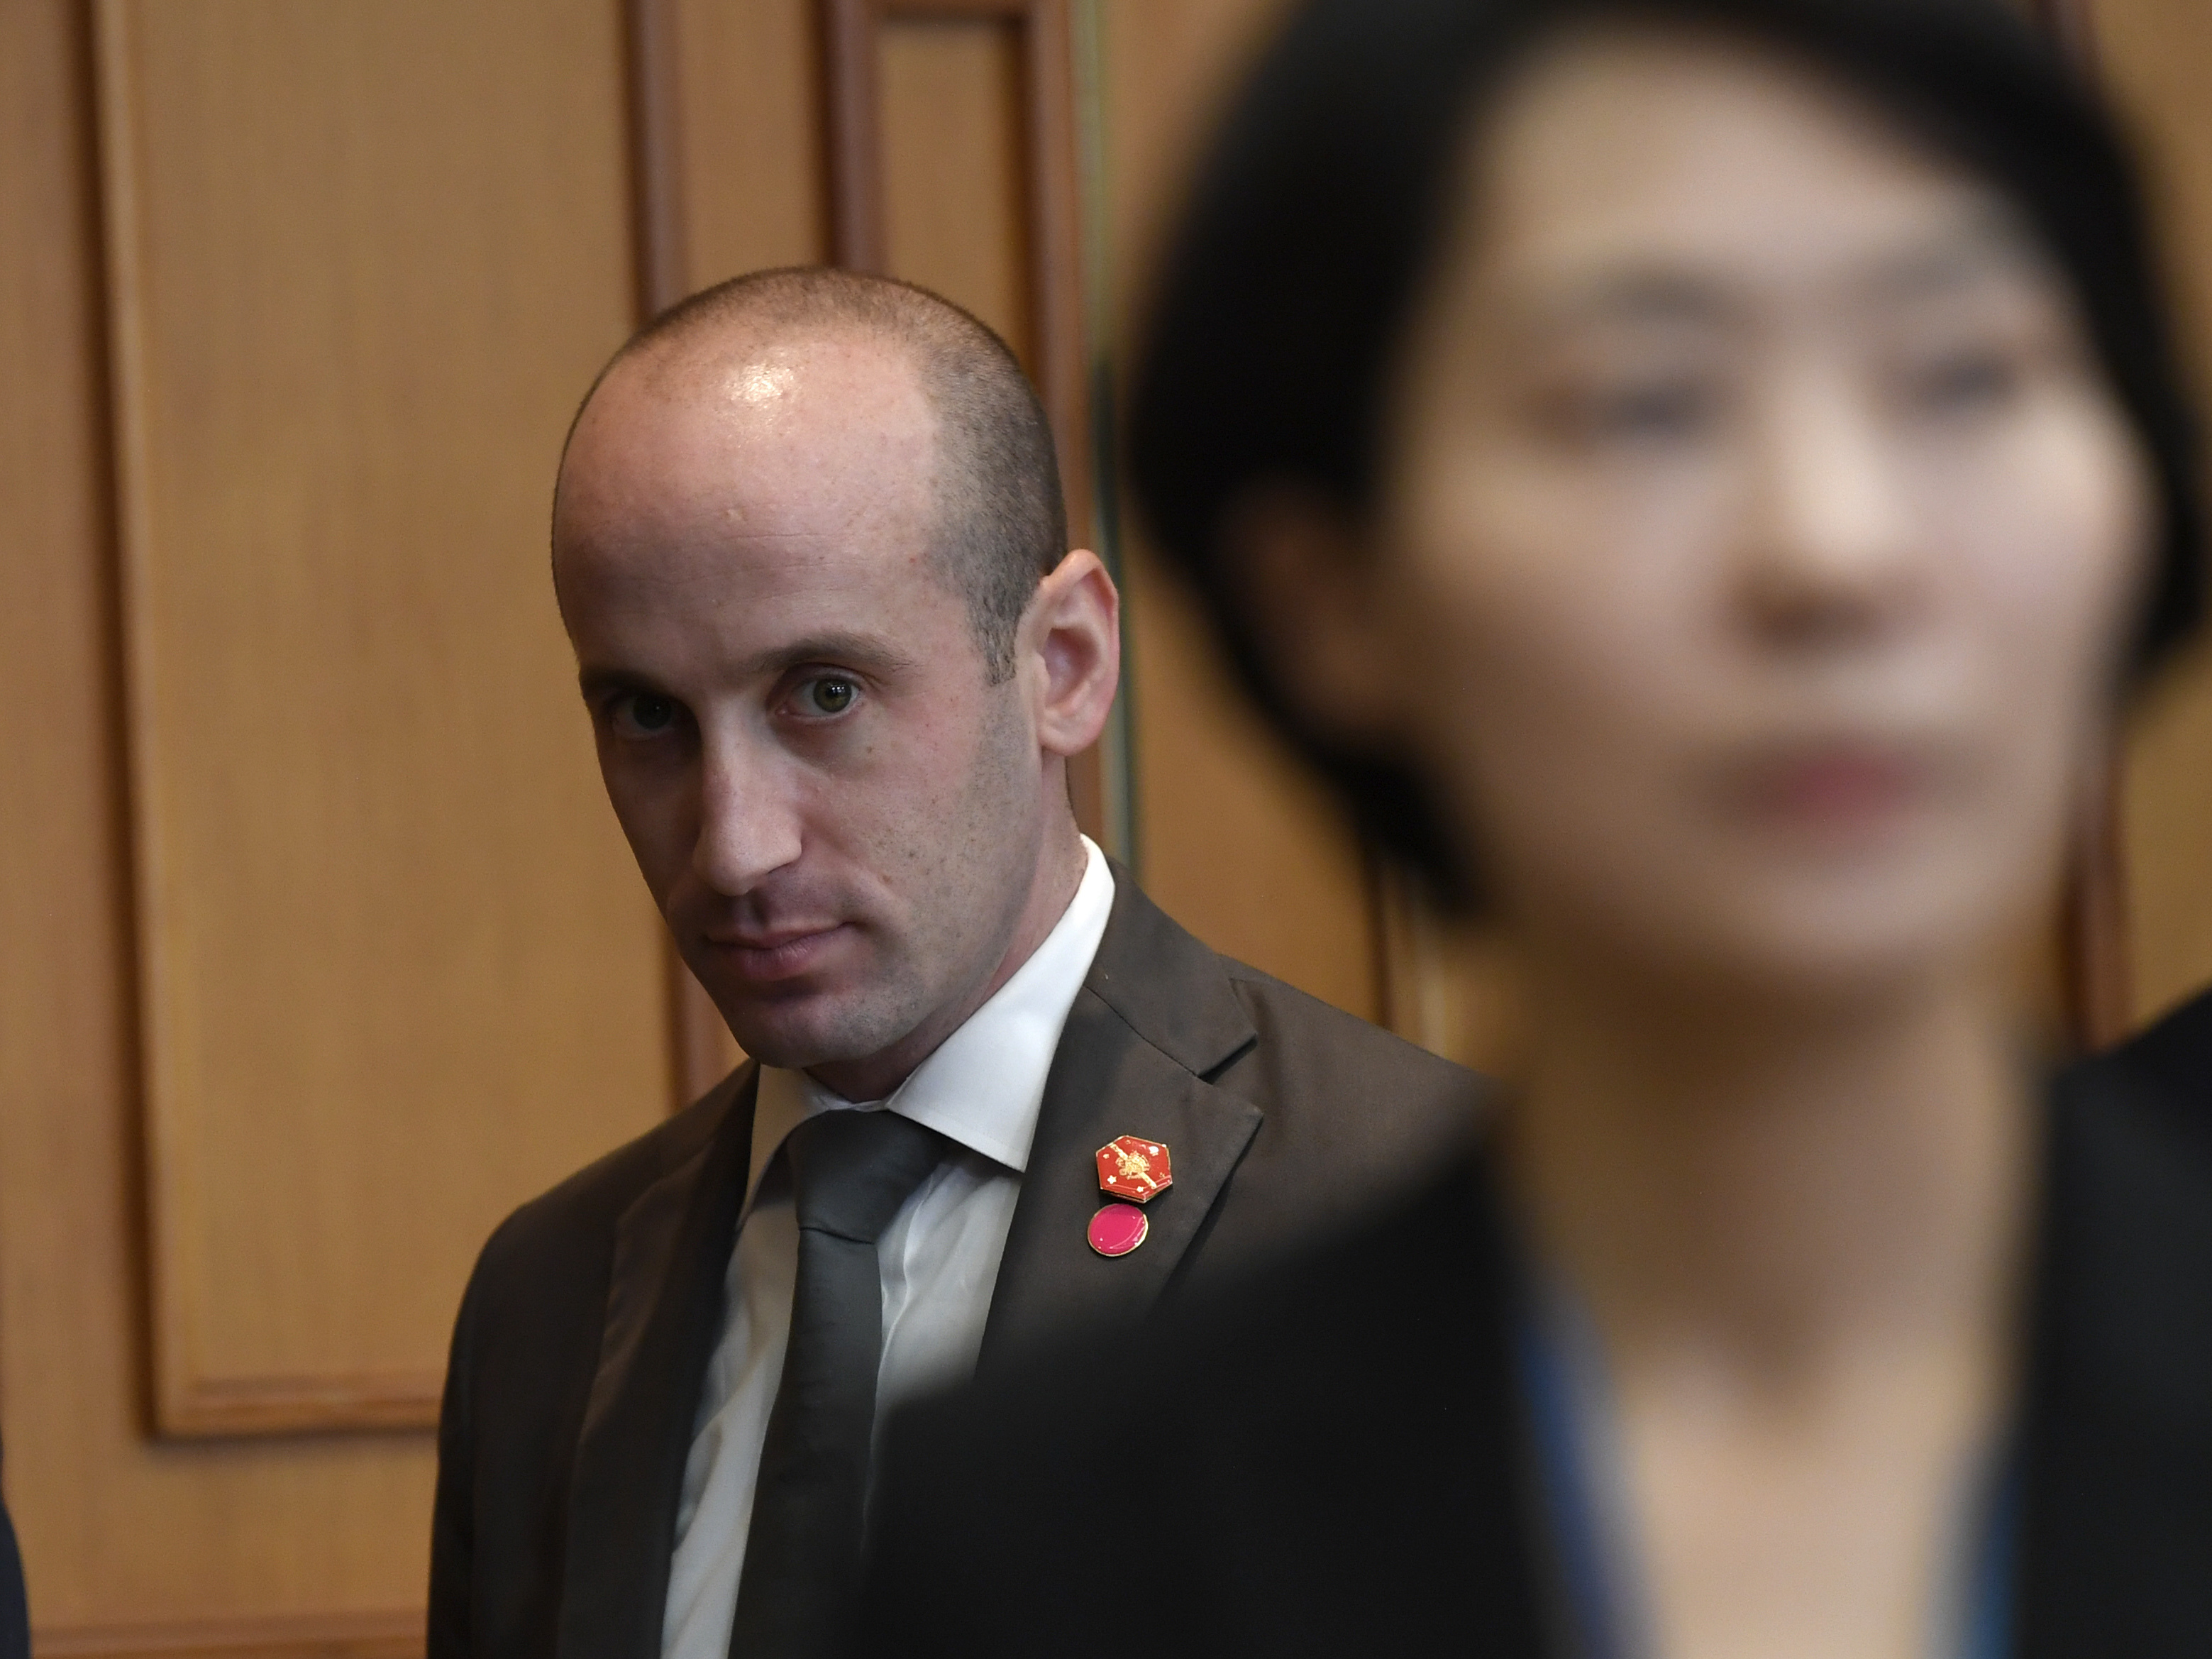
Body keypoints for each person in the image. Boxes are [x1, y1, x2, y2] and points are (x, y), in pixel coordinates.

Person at [858, 0, 2212, 1654]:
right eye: (1643, 403)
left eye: (1961, 374)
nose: (1835, 548)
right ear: (1331, 590)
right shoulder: (1053, 1545)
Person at [424, 268, 1478, 1659]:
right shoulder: (545, 1301)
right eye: (646, 714)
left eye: (824, 693)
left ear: (1062, 661)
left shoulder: (1422, 1220)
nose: (732, 845)